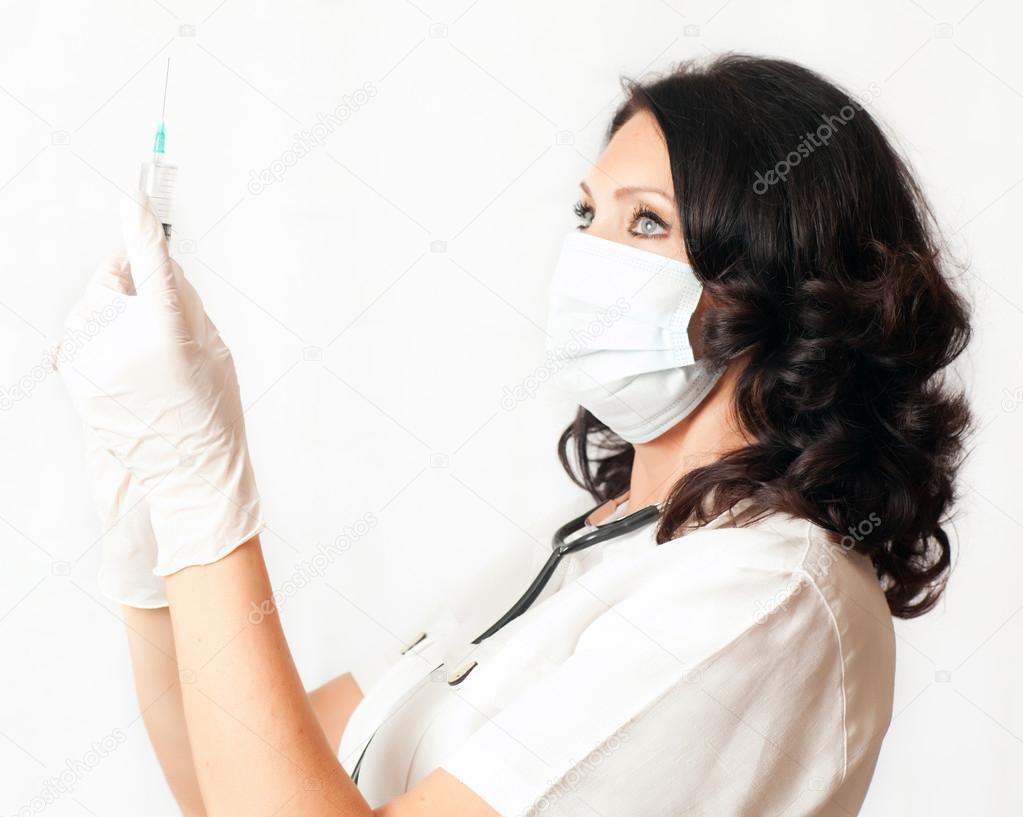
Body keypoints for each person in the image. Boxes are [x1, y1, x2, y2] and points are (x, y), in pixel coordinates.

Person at [59, 53, 972, 816]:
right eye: (586, 214)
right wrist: (152, 531)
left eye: (644, 221)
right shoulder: (593, 548)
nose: (588, 255)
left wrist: (203, 486)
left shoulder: (766, 596)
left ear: (777, 278)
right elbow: (235, 786)